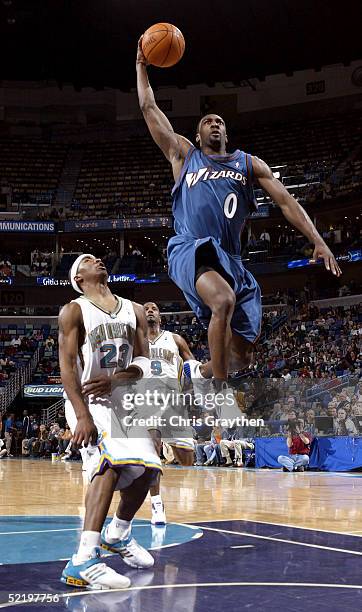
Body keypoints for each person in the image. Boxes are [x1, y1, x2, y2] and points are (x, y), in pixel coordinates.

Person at [136, 41, 341, 386]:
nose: (214, 124)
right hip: (191, 247)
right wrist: (141, 66)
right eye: (207, 122)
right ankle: (218, 394)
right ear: (198, 134)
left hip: (230, 258)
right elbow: (147, 106)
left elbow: (287, 202)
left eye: (219, 121)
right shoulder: (184, 156)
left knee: (243, 355)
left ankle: (198, 372)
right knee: (222, 300)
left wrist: (318, 240)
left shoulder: (249, 164)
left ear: (226, 132)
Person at [59, 254, 162, 590]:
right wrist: (82, 414)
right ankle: (84, 559)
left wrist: (117, 380)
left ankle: (117, 533)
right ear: (79, 277)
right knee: (109, 464)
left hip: (122, 397)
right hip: (89, 399)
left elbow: (145, 362)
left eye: (99, 258)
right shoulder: (73, 310)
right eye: (89, 260)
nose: (98, 260)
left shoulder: (132, 309)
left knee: (149, 469)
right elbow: (67, 367)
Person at [144, 301, 210, 525]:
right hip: (146, 400)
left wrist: (201, 384)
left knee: (186, 458)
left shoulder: (175, 339)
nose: (150, 310)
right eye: (146, 309)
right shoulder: (135, 340)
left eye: (154, 308)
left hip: (174, 401)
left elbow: (191, 364)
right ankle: (157, 504)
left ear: (160, 317)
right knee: (152, 450)